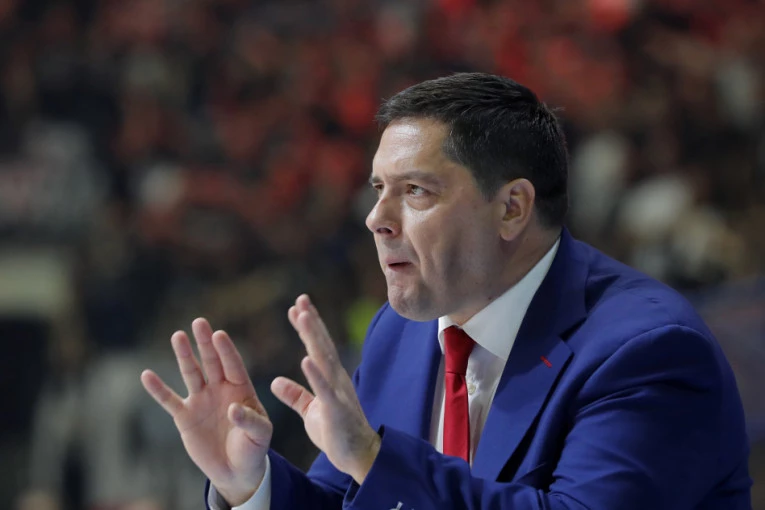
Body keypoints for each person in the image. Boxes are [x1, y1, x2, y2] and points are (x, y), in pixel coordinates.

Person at [140, 73, 752, 510]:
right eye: (378, 189)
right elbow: (353, 498)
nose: (375, 218)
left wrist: (374, 459)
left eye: (415, 191)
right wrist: (251, 484)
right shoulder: (399, 332)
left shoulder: (648, 351)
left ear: (512, 208)